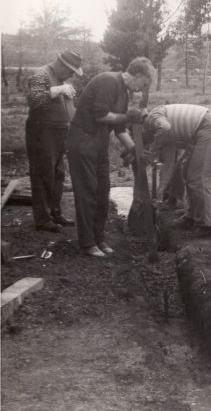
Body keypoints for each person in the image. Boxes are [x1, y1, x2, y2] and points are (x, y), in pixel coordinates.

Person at [66, 57, 155, 257]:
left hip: (98, 144)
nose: (142, 89)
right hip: (83, 142)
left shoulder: (124, 92)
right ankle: (87, 243)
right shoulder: (109, 80)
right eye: (144, 84)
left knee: (102, 192)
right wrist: (128, 116)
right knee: (87, 192)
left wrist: (136, 150)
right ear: (138, 75)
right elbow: (101, 116)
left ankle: (98, 239)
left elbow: (119, 129)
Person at [143, 103, 211, 238]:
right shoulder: (163, 133)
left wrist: (153, 150)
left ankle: (205, 225)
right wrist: (160, 192)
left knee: (198, 179)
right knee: (187, 174)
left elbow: (165, 128)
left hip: (208, 126)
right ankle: (191, 217)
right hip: (203, 129)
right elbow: (169, 165)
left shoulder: (154, 118)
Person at [26, 50, 83, 233]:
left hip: (59, 134)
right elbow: (34, 100)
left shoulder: (60, 79)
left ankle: (55, 212)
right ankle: (43, 219)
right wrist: (57, 90)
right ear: (61, 64)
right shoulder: (41, 74)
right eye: (70, 70)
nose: (72, 74)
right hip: (42, 133)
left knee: (58, 174)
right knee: (43, 174)